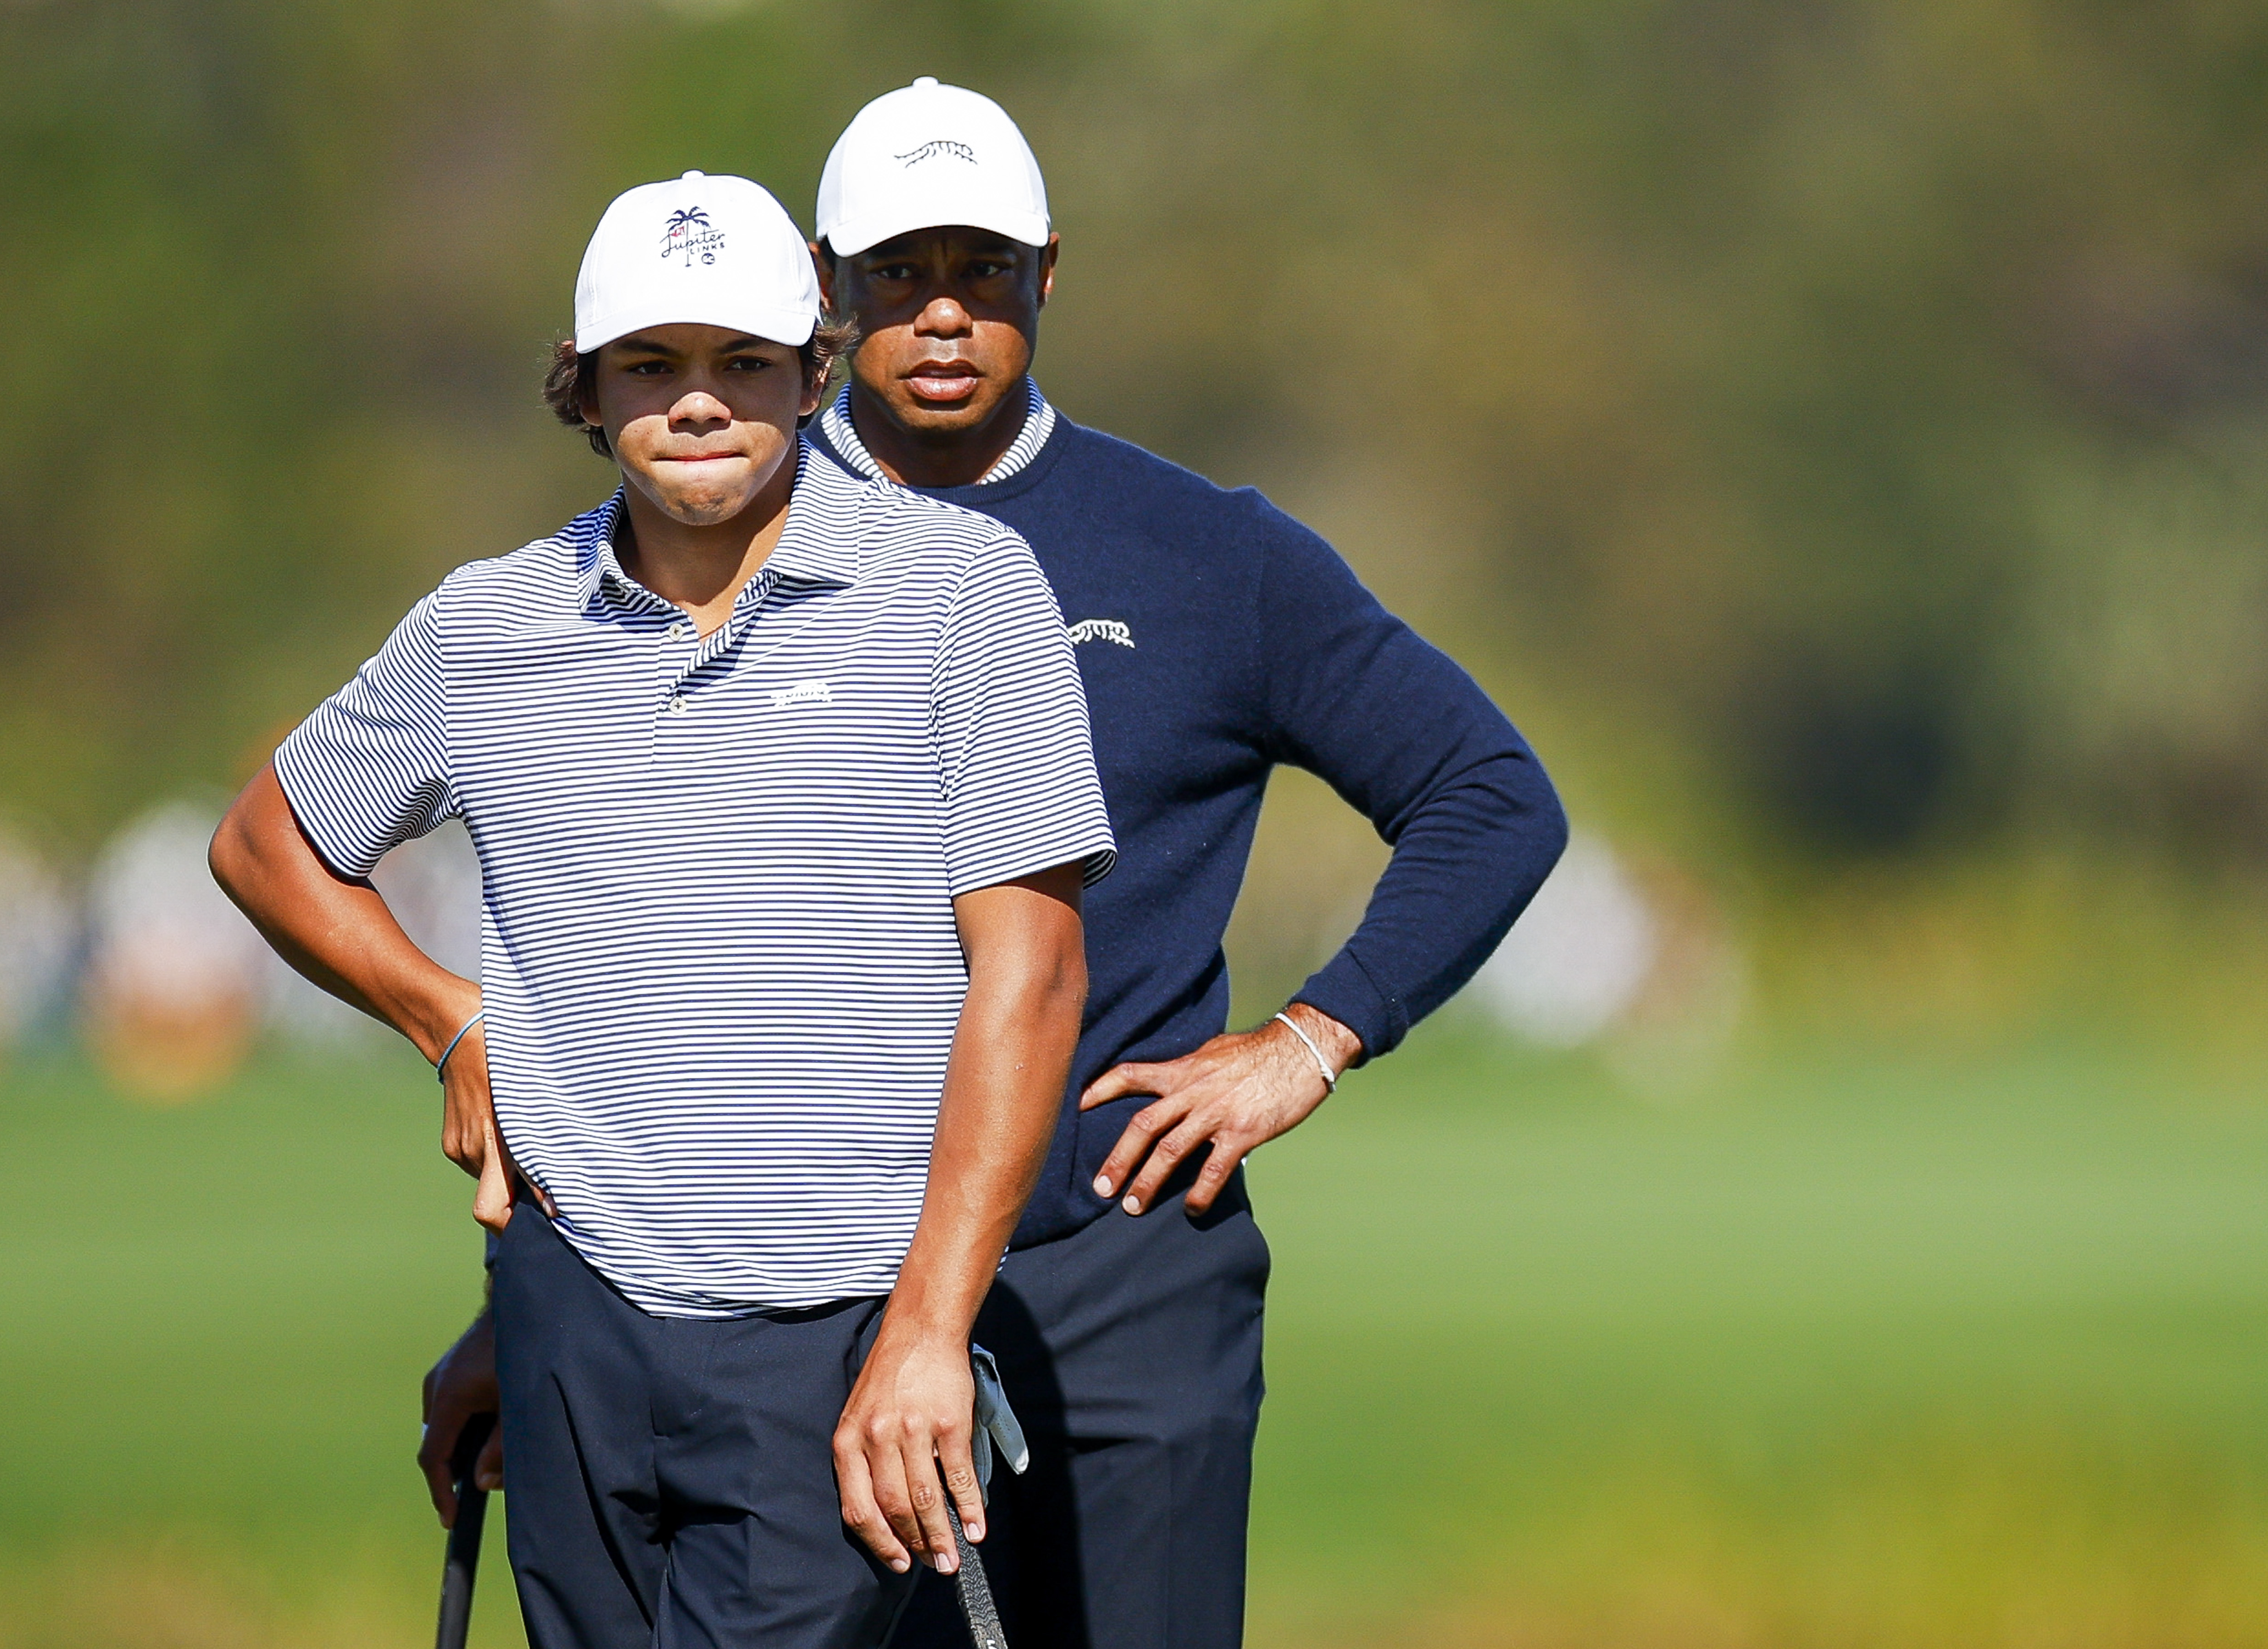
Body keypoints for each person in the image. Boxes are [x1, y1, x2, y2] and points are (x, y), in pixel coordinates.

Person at [422, 82, 1570, 1649]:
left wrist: (1308, 1042)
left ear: (1052, 276)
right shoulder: (695, 534)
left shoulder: (1206, 553)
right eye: (899, 274)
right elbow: (619, 973)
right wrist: (544, 1321)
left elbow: (1490, 794)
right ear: (826, 292)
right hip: (800, 1315)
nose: (943, 313)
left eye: (985, 269)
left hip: (1116, 1271)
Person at [214, 169, 1115, 1648]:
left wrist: (932, 1335)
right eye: (651, 364)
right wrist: (449, 1022)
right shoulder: (488, 624)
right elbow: (267, 845)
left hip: (839, 1328)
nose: (699, 403)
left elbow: (1035, 980)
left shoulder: (961, 589)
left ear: (814, 372)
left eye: (745, 363)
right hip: (569, 1314)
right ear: (582, 390)